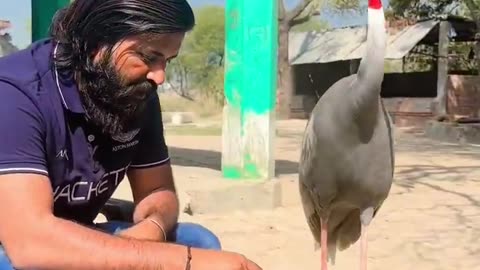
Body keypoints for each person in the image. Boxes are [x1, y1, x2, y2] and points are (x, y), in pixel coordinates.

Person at [0, 0, 262, 269]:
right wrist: (184, 261)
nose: (159, 76)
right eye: (149, 57)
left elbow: (158, 190)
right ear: (96, 41)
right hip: (18, 245)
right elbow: (29, 243)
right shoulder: (14, 93)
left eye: (167, 61)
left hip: (71, 235)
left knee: (198, 240)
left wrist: (154, 226)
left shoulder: (135, 93)